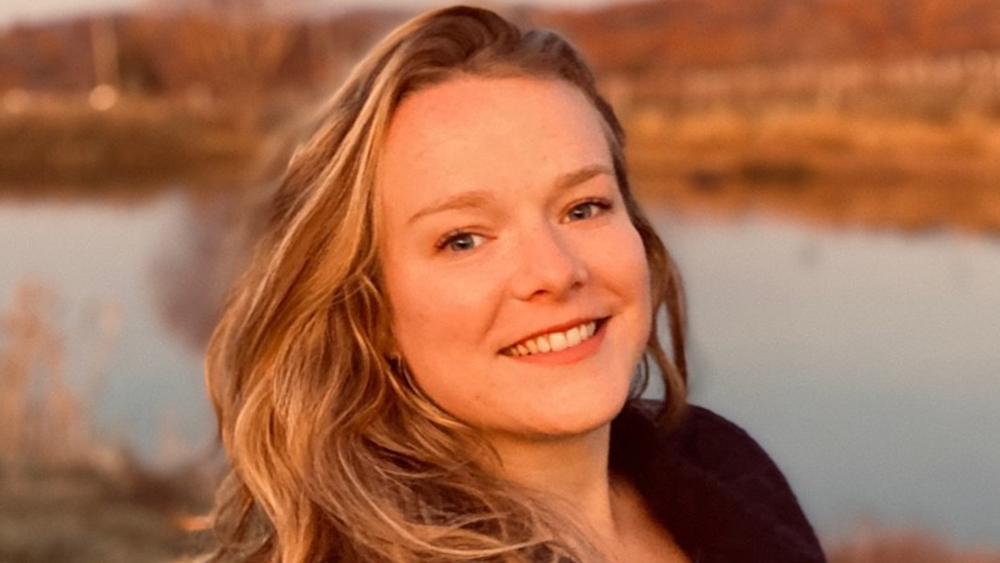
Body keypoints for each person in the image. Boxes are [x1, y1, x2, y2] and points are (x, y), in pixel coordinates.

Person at [204, 5, 826, 563]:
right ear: (372, 314)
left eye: (583, 208)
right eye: (464, 239)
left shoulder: (723, 470)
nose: (555, 272)